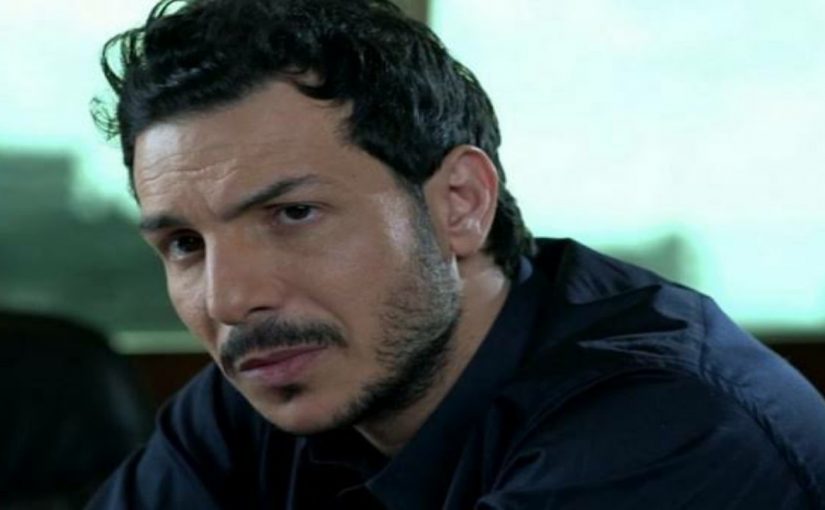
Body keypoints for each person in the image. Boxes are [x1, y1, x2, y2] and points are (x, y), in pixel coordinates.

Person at [87, 0, 825, 508]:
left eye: (294, 214)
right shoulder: (267, 383)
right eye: (185, 244)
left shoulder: (668, 425)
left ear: (459, 205)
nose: (228, 299)